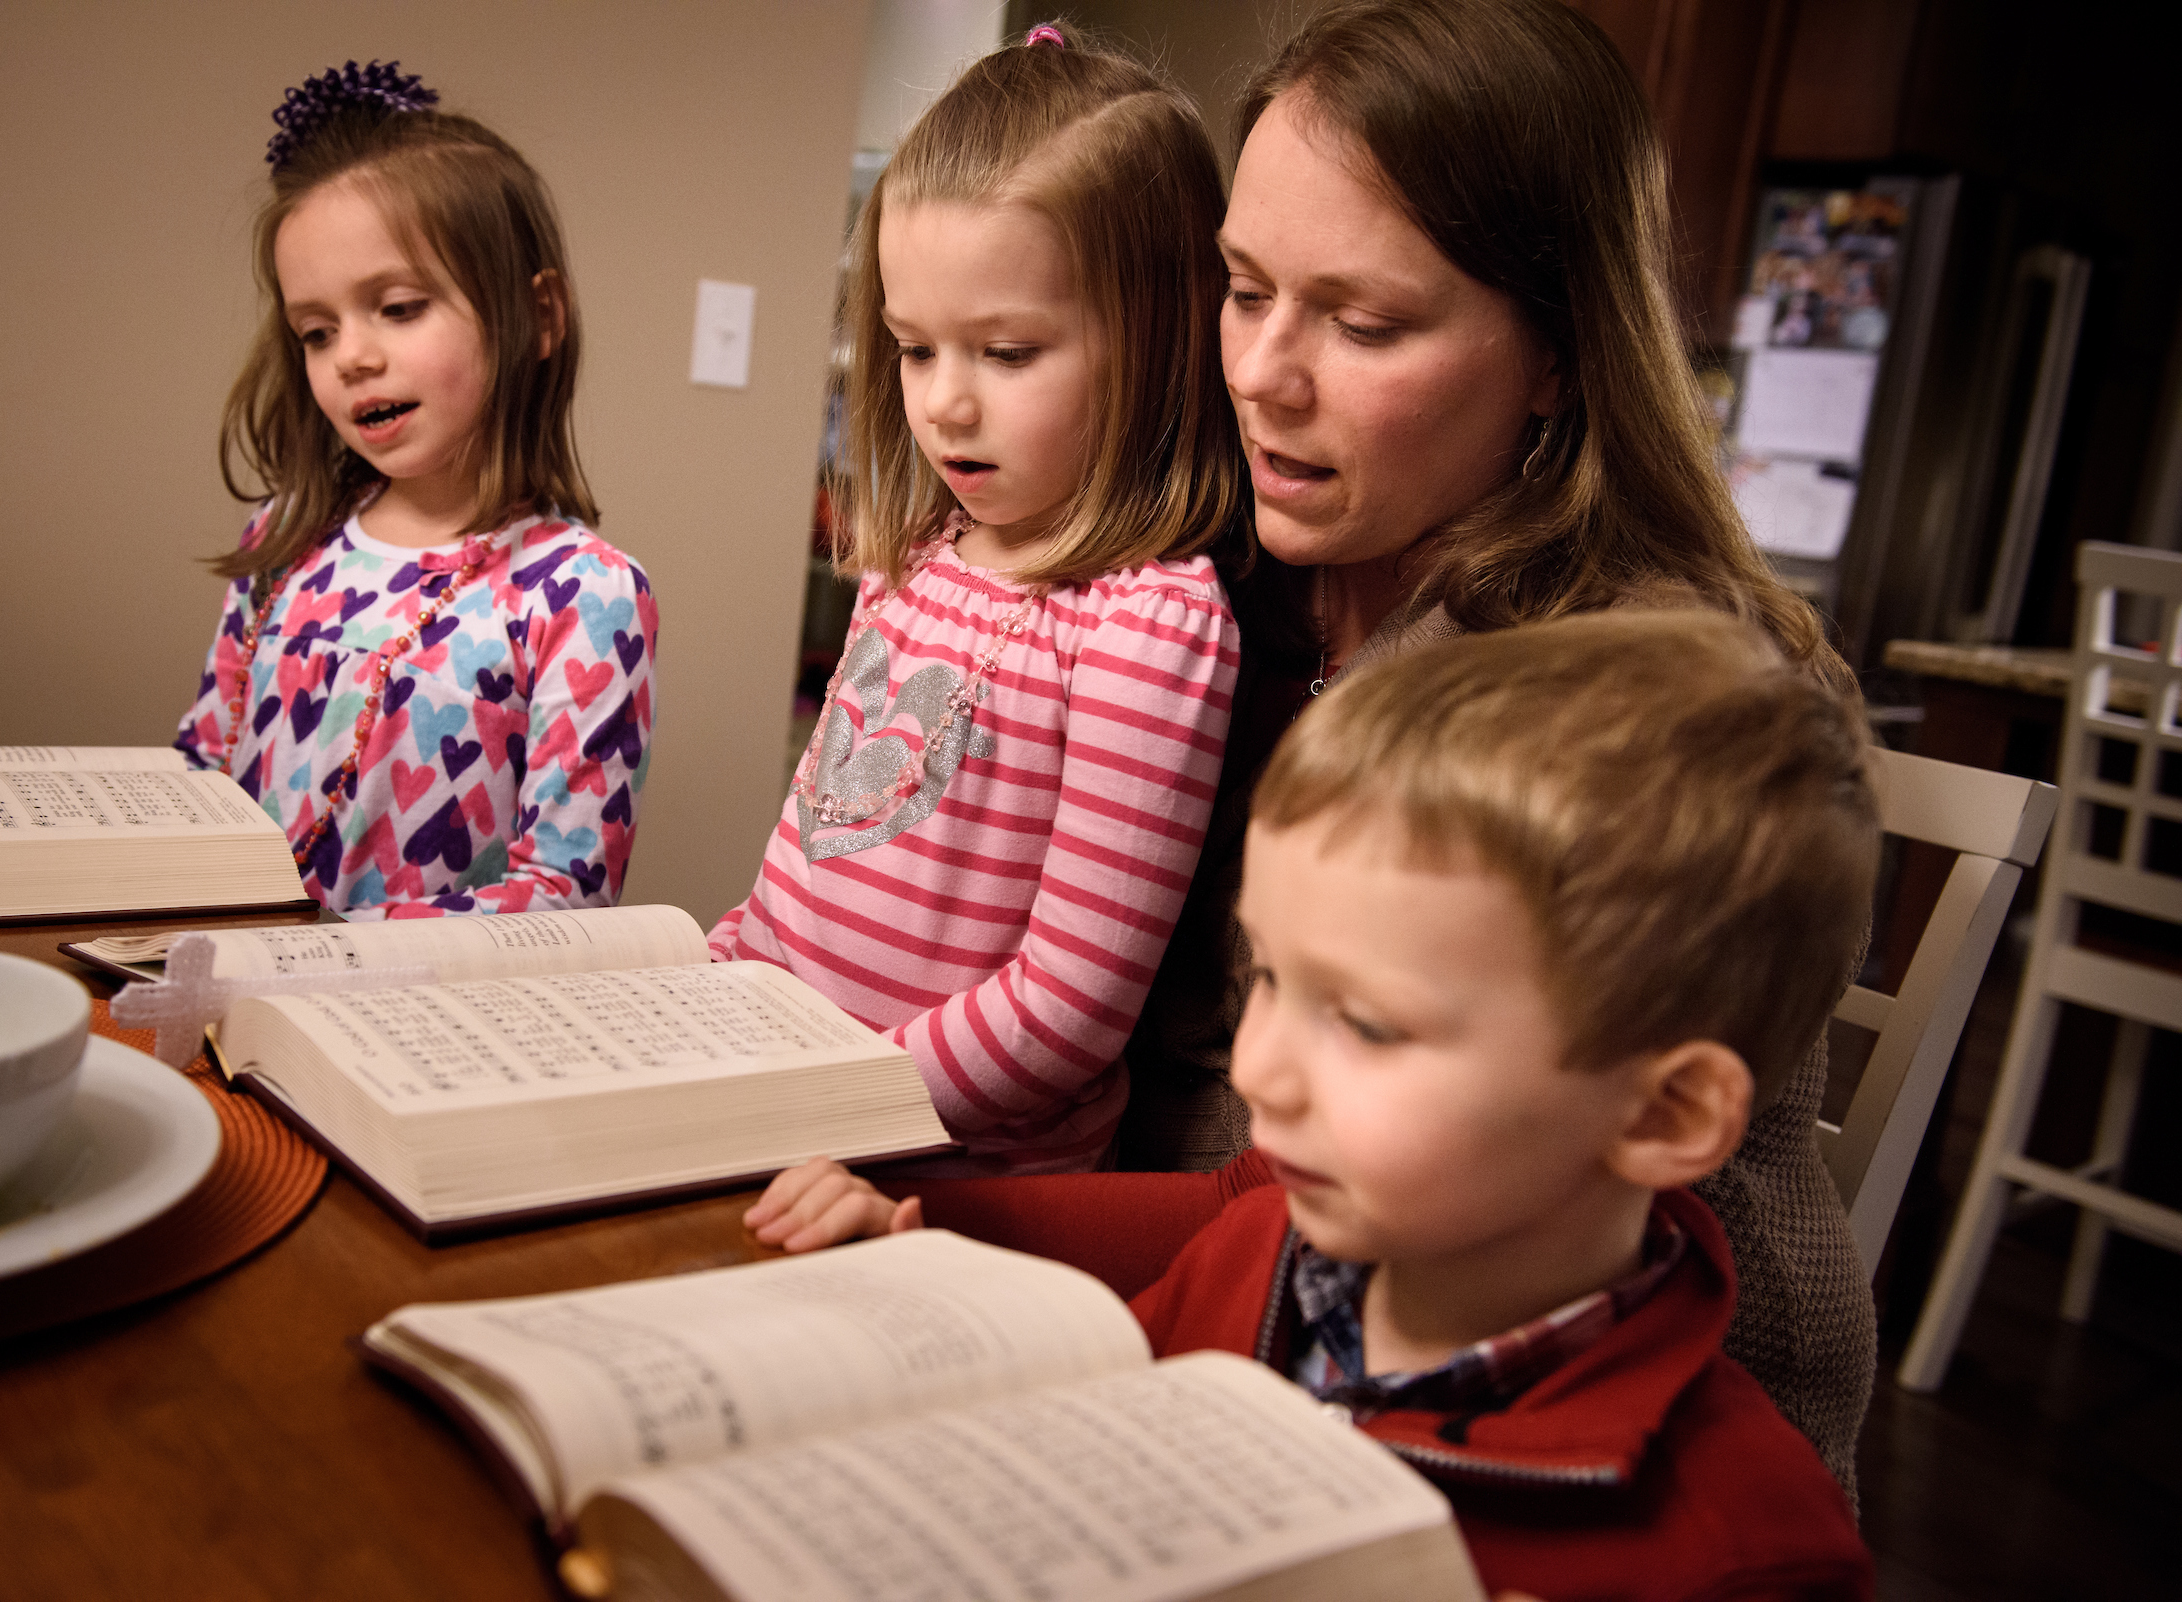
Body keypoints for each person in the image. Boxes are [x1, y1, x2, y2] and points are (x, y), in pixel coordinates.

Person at [1113, 0, 1878, 1495]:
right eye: (1244, 287)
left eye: (1362, 321)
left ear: (1556, 354)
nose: (1264, 372)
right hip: (1245, 1299)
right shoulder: (1240, 590)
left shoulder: (1653, 687)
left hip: (1566, 1453)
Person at [749, 611, 1877, 1602]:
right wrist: (918, 1243)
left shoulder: (1740, 1552)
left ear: (1663, 1115)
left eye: (1370, 1026)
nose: (1260, 1075)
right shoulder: (1259, 1254)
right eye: (1275, 982)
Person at [707, 28, 1245, 1174]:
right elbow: (813, 842)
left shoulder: (1148, 625)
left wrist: (838, 1102)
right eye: (913, 349)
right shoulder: (915, 554)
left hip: (944, 1176)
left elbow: (1067, 1008)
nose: (944, 406)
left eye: (1005, 352)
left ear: (1159, 342)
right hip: (787, 1106)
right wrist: (723, 969)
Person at [174, 61, 654, 920]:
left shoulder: (585, 595)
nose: (352, 355)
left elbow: (560, 896)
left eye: (396, 307)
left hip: (412, 1036)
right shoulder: (281, 540)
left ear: (538, 317)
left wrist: (325, 954)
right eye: (317, 331)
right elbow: (200, 767)